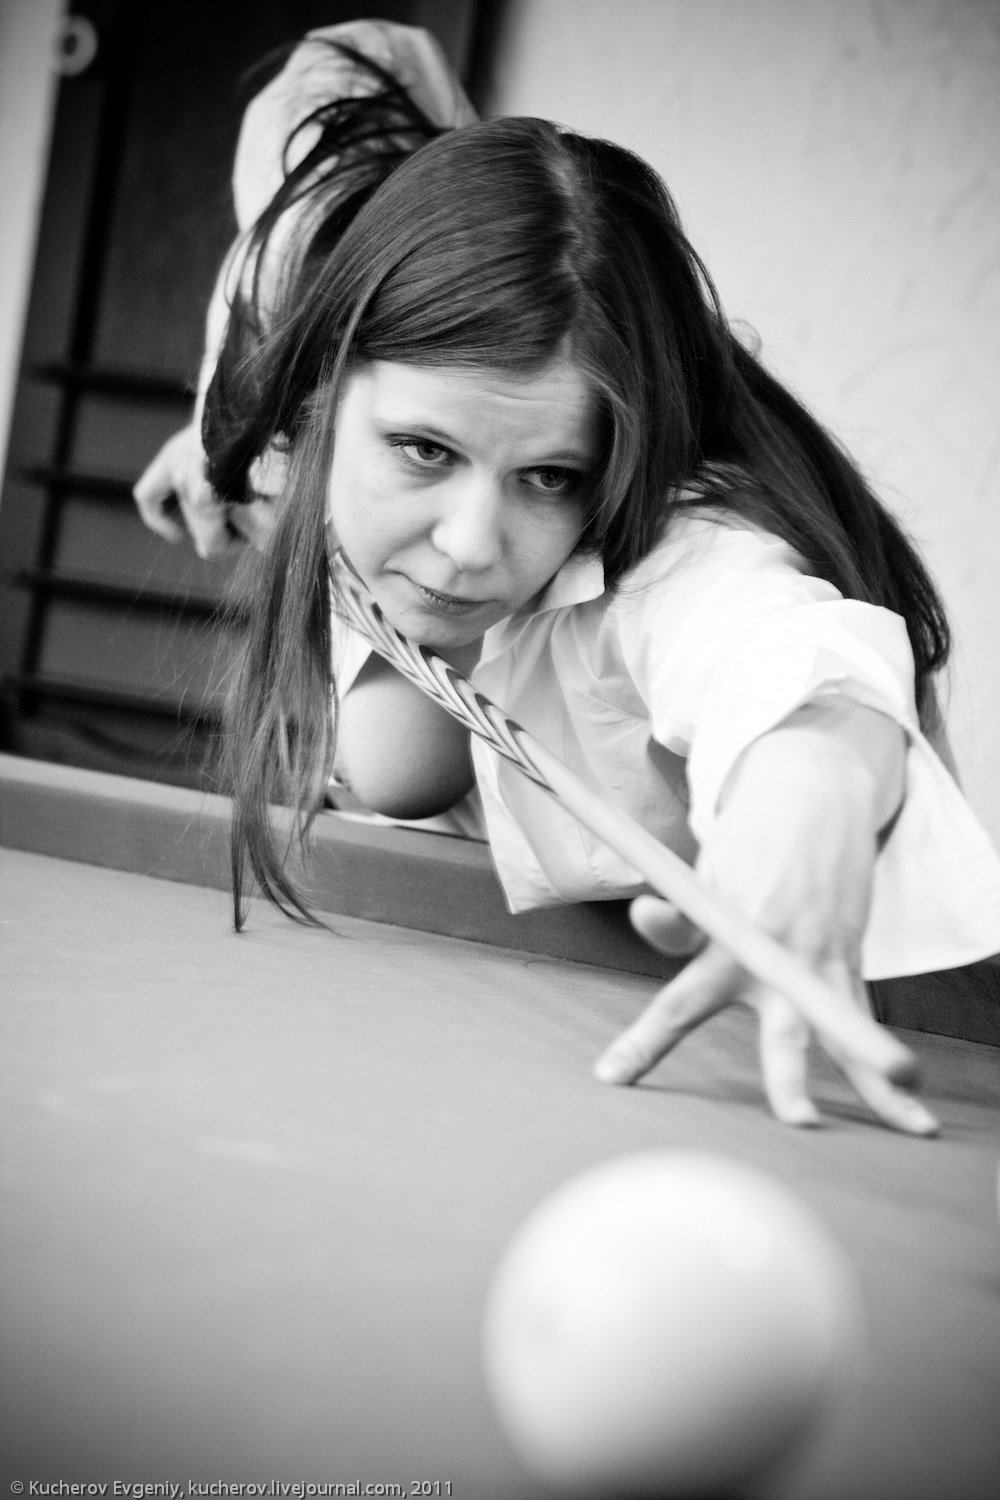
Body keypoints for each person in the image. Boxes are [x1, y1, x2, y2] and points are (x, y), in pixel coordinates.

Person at [134, 20, 1000, 1136]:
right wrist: (219, 444)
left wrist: (812, 794)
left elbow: (780, 651)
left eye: (548, 475)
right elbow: (352, 59)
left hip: (714, 1050)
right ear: (314, 392)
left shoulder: (671, 551)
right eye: (423, 450)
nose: (469, 544)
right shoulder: (292, 385)